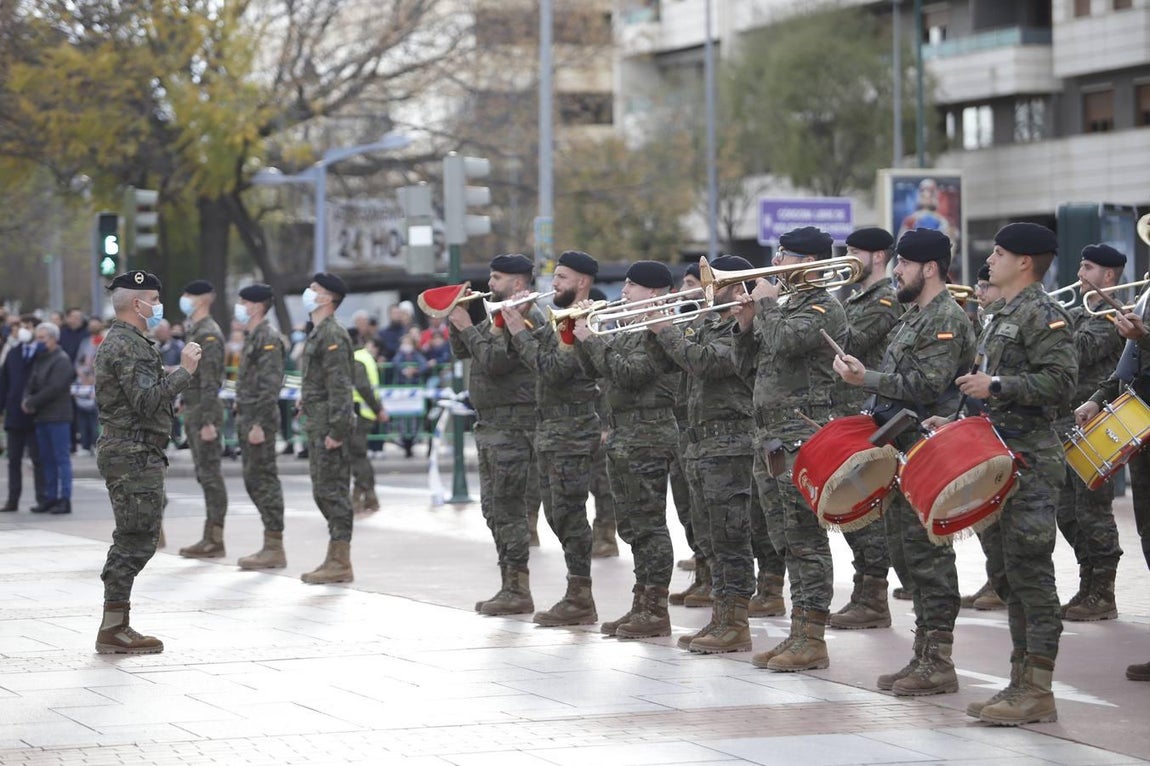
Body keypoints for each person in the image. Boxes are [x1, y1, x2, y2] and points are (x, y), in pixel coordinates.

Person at [929, 222, 1076, 725]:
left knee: (1031, 574)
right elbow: (984, 388)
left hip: (1031, 462)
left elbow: (1061, 383)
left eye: (998, 253)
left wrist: (997, 384)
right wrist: (956, 419)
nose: (988, 261)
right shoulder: (999, 315)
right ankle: (1018, 683)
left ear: (1025, 262)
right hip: (996, 459)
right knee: (1008, 575)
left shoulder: (1045, 313)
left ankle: (1038, 688)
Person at [834, 228, 976, 696]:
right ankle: (922, 654)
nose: (896, 271)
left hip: (927, 451)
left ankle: (940, 660)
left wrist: (866, 376)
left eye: (904, 264)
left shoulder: (945, 317)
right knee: (907, 554)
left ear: (929, 268)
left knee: (930, 558)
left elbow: (925, 382)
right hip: (902, 448)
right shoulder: (914, 315)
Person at [735, 226, 846, 672]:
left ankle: (813, 638)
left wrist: (764, 304)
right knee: (784, 537)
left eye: (782, 256)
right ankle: (798, 633)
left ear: (806, 262)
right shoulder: (782, 307)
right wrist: (744, 326)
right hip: (773, 437)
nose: (775, 263)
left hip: (802, 437)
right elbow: (747, 370)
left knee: (805, 537)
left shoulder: (822, 306)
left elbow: (784, 341)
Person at [647, 255, 761, 652]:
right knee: (711, 538)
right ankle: (721, 616)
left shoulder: (744, 326)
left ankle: (736, 622)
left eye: (716, 282)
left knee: (731, 537)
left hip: (730, 443)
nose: (706, 289)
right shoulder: (707, 321)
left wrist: (665, 329)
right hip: (699, 442)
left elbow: (706, 362)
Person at [94, 269, 201, 653]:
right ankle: (114, 627)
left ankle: (115, 624)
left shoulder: (129, 341)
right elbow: (146, 400)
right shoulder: (128, 345)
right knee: (135, 540)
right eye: (154, 300)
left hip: (136, 450)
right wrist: (184, 373)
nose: (158, 306)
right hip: (132, 453)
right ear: (137, 303)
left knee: (136, 537)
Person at [574, 260, 679, 639]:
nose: (624, 291)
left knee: (649, 525)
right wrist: (583, 337)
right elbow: (600, 371)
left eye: (632, 286)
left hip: (649, 435)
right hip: (625, 435)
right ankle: (641, 603)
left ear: (652, 292)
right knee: (633, 526)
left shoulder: (660, 330)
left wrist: (592, 339)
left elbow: (630, 373)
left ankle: (656, 609)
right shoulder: (630, 328)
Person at [504, 250, 601, 626]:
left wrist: (516, 332)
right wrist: (524, 321)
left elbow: (555, 369)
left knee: (569, 514)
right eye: (554, 277)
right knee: (556, 513)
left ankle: (580, 596)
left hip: (572, 432)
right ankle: (577, 592)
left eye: (561, 278)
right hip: (552, 431)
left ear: (581, 283)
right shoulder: (558, 317)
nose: (553, 285)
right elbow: (543, 350)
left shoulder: (582, 318)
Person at [448, 253, 543, 616]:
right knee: (493, 509)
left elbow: (496, 363)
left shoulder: (526, 317)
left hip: (514, 426)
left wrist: (468, 327)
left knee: (508, 508)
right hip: (491, 424)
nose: (490, 284)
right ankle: (509, 585)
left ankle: (518, 589)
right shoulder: (497, 315)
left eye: (497, 278)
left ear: (518, 283)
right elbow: (465, 352)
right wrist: (457, 319)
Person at [1077, 249, 1150, 681]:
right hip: (1141, 429)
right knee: (1149, 538)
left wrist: (1145, 338)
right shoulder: (1145, 293)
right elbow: (1130, 366)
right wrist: (1096, 399)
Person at [830, 226, 903, 630]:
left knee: (866, 508)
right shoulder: (857, 296)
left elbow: (852, 339)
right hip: (848, 410)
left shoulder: (886, 299)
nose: (846, 260)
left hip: (869, 412)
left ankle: (874, 595)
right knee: (851, 505)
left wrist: (818, 306)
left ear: (878, 257)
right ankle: (864, 590)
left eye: (855, 252)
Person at [1055, 245, 1126, 621]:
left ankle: (1103, 592)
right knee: (1068, 513)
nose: (1080, 272)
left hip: (1098, 428)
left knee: (1093, 512)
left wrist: (1049, 321)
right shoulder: (1080, 312)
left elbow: (1078, 351)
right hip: (1067, 424)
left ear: (1109, 276)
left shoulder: (1114, 317)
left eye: (1088, 267)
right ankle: (1087, 584)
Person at [298, 272, 357, 584]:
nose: (308, 293)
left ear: (326, 298)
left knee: (332, 492)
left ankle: (340, 561)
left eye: (314, 289)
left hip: (329, 428)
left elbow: (340, 387)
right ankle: (335, 557)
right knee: (323, 490)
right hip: (318, 423)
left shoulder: (332, 334)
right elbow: (321, 381)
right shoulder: (319, 332)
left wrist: (337, 431)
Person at [232, 284, 289, 570]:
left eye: (242, 302)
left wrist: (258, 424)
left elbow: (269, 385)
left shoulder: (267, 337)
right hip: (249, 418)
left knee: (264, 480)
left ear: (255, 306)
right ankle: (270, 544)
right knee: (253, 480)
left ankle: (274, 547)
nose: (239, 306)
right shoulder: (254, 336)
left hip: (259, 421)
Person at [176, 280, 229, 559]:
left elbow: (210, 381)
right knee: (204, 475)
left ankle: (215, 538)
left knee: (211, 477)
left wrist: (208, 420)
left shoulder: (208, 333)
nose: (183, 299)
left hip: (205, 413)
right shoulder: (195, 330)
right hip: (196, 410)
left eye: (188, 295)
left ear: (202, 300)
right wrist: (184, 402)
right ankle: (209, 536)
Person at [23, 322, 77, 515]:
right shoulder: (40, 358)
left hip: (58, 416)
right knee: (47, 459)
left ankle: (65, 499)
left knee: (61, 459)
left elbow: (55, 388)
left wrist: (32, 402)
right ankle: (50, 497)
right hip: (42, 416)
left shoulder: (61, 360)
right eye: (37, 338)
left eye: (42, 338)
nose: (38, 342)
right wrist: (27, 398)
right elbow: (31, 382)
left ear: (54, 339)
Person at [0, 316, 47, 512]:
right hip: (14, 416)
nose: (22, 331)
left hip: (36, 415)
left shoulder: (43, 353)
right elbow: (3, 384)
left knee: (38, 460)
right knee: (13, 461)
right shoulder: (13, 353)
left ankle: (42, 499)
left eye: (27, 327)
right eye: (20, 327)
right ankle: (12, 499)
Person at [351, 331, 387, 514]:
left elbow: (363, 387)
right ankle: (367, 496)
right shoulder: (366, 358)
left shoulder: (357, 359)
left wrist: (377, 408)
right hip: (365, 413)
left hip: (359, 413)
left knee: (357, 457)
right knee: (359, 456)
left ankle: (362, 495)